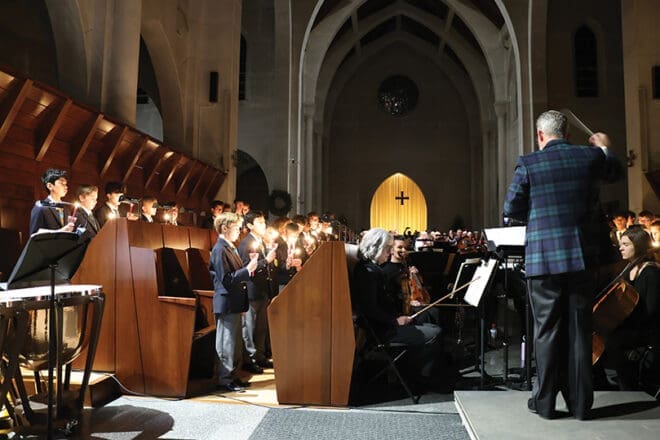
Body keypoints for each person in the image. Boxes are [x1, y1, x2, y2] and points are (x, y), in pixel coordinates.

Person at [503, 110, 623, 420]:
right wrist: (604, 147)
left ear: (540, 135)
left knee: (546, 331)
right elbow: (615, 171)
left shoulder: (529, 163)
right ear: (568, 134)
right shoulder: (588, 156)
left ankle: (544, 403)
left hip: (544, 259)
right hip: (581, 258)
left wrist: (538, 210)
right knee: (580, 331)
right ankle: (580, 405)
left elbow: (511, 207)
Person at [351, 228, 444, 391]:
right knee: (435, 333)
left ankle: (413, 371)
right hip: (382, 331)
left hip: (386, 325)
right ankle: (419, 378)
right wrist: (395, 320)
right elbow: (369, 308)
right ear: (376, 247)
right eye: (388, 248)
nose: (389, 252)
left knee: (431, 323)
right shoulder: (368, 272)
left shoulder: (371, 269)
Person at [209, 212, 259, 392]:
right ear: (224, 228)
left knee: (236, 343)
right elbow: (227, 279)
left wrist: (248, 269)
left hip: (235, 301)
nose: (239, 231)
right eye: (236, 228)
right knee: (226, 343)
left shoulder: (230, 248)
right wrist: (247, 269)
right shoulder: (219, 249)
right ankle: (224, 379)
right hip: (227, 302)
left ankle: (234, 375)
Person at [605, 226, 659, 390]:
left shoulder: (651, 272)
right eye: (621, 244)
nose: (621, 248)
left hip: (647, 329)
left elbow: (651, 310)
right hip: (632, 325)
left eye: (626, 244)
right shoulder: (628, 269)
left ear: (639, 246)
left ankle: (628, 386)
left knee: (614, 340)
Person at [238, 211, 278, 373]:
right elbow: (246, 268)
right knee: (249, 328)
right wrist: (266, 261)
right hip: (252, 290)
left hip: (263, 290)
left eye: (264, 222)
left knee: (261, 327)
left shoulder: (261, 241)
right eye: (259, 222)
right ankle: (250, 359)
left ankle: (260, 356)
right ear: (250, 225)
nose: (264, 225)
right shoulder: (246, 243)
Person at [29, 168, 76, 234]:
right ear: (50, 186)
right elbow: (34, 233)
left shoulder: (67, 208)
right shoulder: (41, 207)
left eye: (66, 184)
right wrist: (60, 231)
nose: (66, 187)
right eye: (62, 183)